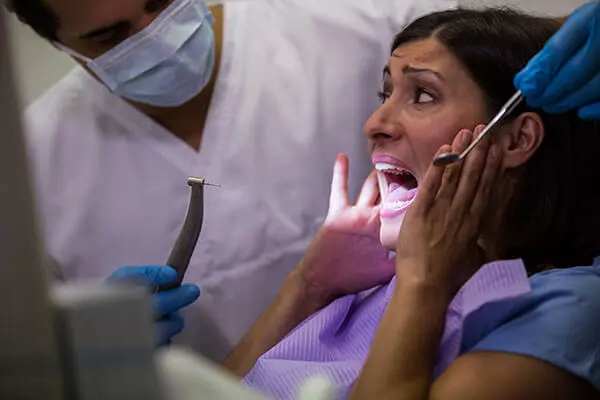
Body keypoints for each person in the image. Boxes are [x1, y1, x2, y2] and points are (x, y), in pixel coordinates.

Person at [6, 0, 455, 359]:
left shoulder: (365, 22)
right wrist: (78, 349)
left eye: (162, 2)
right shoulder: (28, 173)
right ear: (59, 44)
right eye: (109, 35)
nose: (156, 37)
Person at [209, 7, 600, 399]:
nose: (374, 124)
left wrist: (423, 281)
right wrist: (309, 284)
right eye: (386, 93)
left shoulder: (570, 311)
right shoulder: (380, 277)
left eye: (423, 95)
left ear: (515, 140)